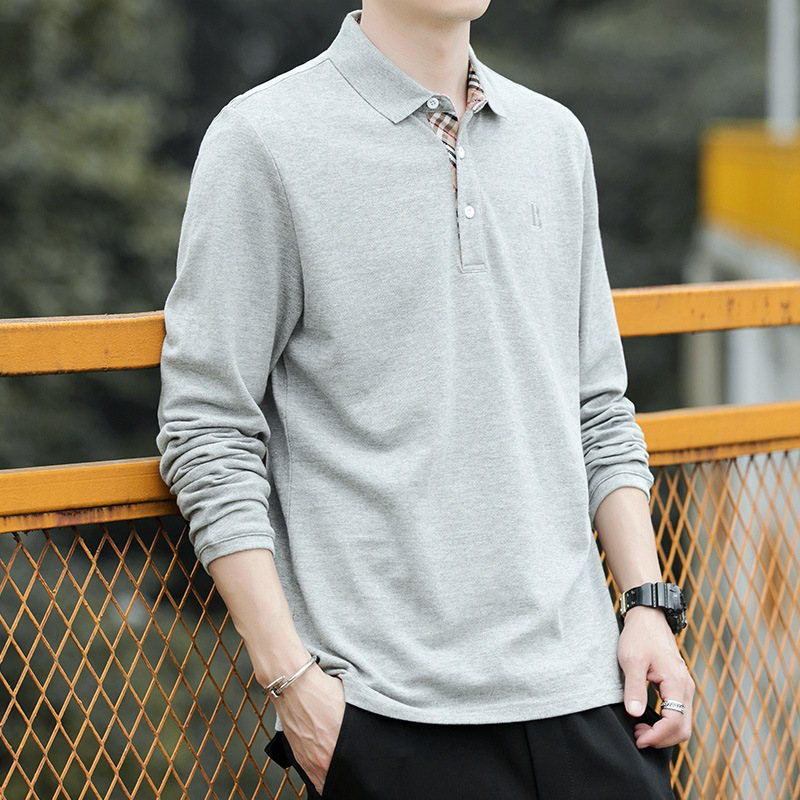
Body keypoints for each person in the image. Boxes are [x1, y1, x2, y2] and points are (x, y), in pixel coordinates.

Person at [157, 2, 694, 797]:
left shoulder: (554, 138)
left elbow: (597, 406)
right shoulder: (263, 140)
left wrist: (648, 607)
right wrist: (292, 684)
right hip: (389, 713)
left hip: (590, 691)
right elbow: (207, 429)